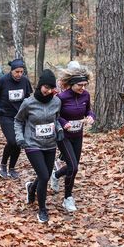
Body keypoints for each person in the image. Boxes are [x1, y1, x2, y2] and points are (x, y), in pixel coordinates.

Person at [14, 69, 63, 223]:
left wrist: (60, 129)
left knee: (46, 175)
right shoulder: (28, 103)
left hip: (50, 144)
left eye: (51, 88)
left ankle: (31, 188)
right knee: (43, 176)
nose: (48, 91)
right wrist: (20, 138)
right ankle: (42, 209)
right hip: (32, 144)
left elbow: (56, 119)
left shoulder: (56, 101)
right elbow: (18, 120)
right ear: (40, 86)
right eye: (45, 87)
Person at [50, 65, 95, 212]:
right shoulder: (61, 97)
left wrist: (90, 117)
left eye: (84, 85)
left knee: (73, 166)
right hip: (63, 135)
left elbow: (89, 110)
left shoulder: (86, 95)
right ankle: (67, 198)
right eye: (79, 85)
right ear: (71, 84)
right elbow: (55, 116)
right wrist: (64, 123)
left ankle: (56, 175)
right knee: (73, 167)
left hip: (78, 135)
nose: (82, 87)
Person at [0, 59, 33, 179]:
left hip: (20, 116)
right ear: (11, 71)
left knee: (19, 143)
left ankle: (12, 168)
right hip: (5, 115)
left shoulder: (25, 81)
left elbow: (28, 97)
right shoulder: (3, 80)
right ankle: (3, 164)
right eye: (17, 72)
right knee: (12, 141)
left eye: (21, 71)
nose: (19, 74)